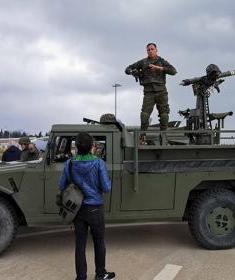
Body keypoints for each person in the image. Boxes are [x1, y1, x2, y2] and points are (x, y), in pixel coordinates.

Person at [59, 132, 115, 280]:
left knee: (80, 244)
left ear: (76, 147)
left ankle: (81, 277)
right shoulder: (99, 163)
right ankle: (100, 274)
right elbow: (106, 188)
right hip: (95, 208)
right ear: (92, 147)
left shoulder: (69, 164)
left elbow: (62, 185)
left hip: (77, 210)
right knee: (99, 241)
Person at [125, 43, 177, 139]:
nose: (150, 51)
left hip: (161, 91)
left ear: (156, 50)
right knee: (144, 115)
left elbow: (173, 71)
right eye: (148, 49)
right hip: (149, 92)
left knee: (164, 115)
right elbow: (127, 69)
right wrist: (133, 72)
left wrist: (159, 68)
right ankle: (142, 136)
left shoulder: (161, 61)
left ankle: (163, 136)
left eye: (152, 49)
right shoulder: (143, 62)